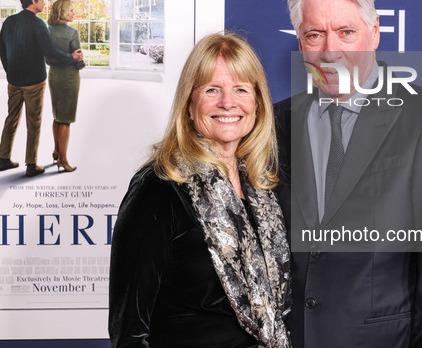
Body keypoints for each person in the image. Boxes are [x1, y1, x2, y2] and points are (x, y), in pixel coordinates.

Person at [274, 0, 422, 347]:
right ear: (300, 41)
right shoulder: (277, 121)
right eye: (315, 34)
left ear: (375, 33)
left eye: (346, 32)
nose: (330, 50)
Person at [109, 33, 292, 348]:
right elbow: (130, 333)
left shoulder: (265, 187)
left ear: (258, 103)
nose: (228, 102)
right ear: (189, 104)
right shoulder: (159, 188)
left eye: (241, 89)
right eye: (212, 90)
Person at [0, 0, 84, 177]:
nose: (45, 3)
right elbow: (50, 52)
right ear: (33, 0)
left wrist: (9, 71)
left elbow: (2, 51)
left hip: (13, 82)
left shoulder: (9, 21)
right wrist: (72, 58)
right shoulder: (38, 24)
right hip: (34, 83)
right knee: (34, 123)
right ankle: (31, 165)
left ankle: (3, 159)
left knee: (11, 119)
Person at [47, 0, 85, 173]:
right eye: (70, 10)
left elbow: (48, 58)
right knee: (66, 120)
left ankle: (56, 151)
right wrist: (80, 62)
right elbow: (77, 58)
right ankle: (63, 159)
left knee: (57, 116)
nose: (73, 13)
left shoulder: (47, 32)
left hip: (54, 76)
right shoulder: (72, 33)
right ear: (62, 12)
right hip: (69, 78)